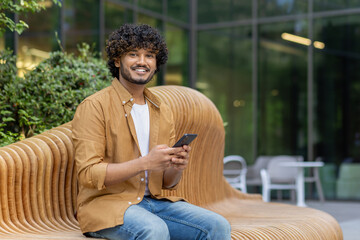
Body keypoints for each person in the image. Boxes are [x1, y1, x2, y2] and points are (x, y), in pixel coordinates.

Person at [72, 23, 231, 240]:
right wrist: (145, 162)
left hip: (153, 204)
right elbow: (88, 174)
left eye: (149, 55)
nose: (142, 61)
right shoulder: (94, 106)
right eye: (133, 54)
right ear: (117, 60)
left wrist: (177, 166)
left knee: (217, 226)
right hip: (107, 206)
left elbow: (167, 182)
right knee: (154, 230)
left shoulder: (162, 109)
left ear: (156, 64)